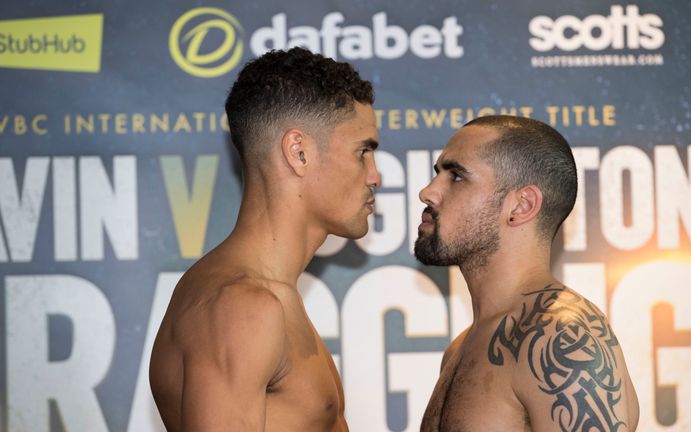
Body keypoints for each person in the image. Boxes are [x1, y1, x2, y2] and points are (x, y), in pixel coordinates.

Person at [149, 47, 380, 431]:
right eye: (363, 152)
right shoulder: (241, 306)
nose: (375, 176)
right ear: (298, 153)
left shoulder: (269, 295)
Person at [415, 115, 639, 431]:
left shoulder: (562, 338)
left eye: (457, 177)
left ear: (522, 206)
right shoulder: (462, 346)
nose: (428, 192)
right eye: (437, 174)